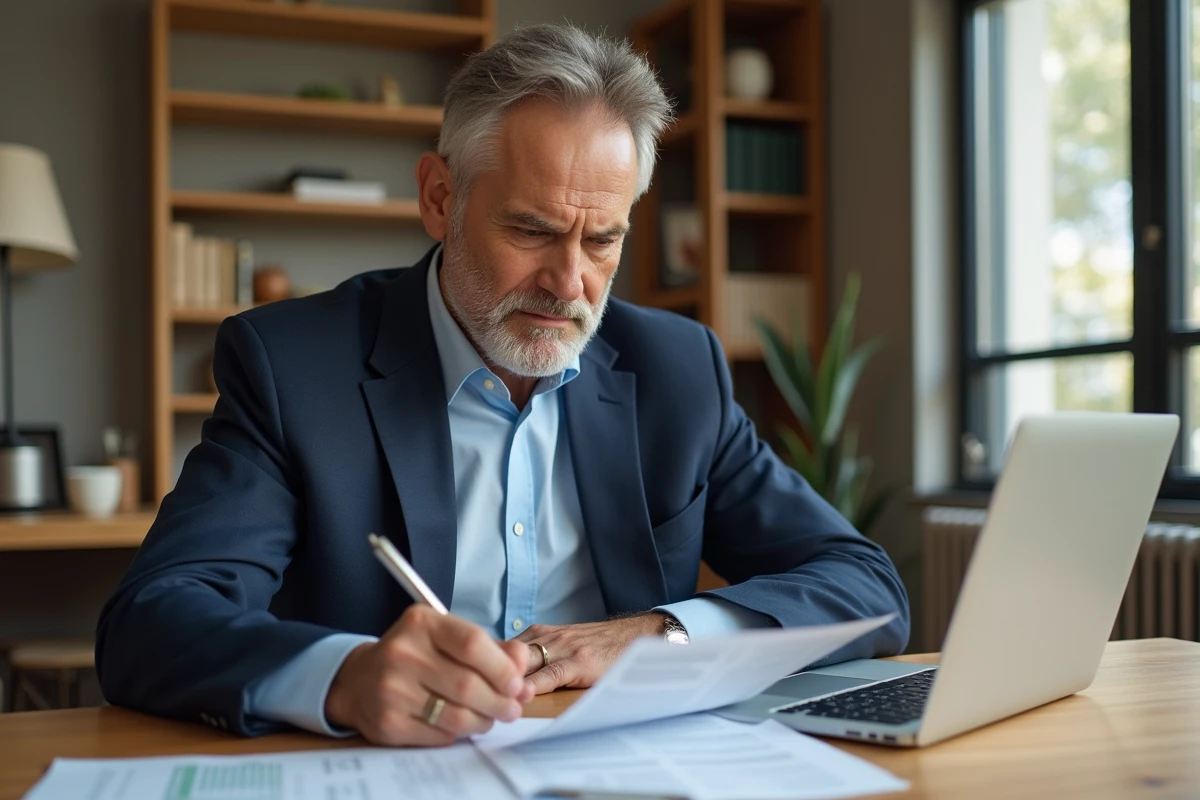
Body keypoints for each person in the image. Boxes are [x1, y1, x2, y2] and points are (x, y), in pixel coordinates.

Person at [96, 23, 909, 748]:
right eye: (533, 230)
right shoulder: (294, 367)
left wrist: (662, 635)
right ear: (439, 197)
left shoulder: (676, 371)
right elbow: (151, 621)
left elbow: (864, 584)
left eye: (604, 240)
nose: (571, 284)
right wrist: (344, 676)